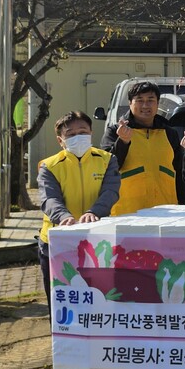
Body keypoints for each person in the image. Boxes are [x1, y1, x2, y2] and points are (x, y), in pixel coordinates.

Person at [37, 111, 120, 302]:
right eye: (71, 134)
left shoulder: (107, 160)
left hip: (98, 241)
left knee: (101, 298)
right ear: (60, 140)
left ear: (91, 132)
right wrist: (63, 216)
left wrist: (94, 212)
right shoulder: (49, 165)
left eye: (82, 132)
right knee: (61, 300)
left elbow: (111, 191)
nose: (78, 137)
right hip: (57, 240)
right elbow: (49, 198)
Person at [100, 81, 184, 214]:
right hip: (127, 213)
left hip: (167, 211)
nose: (145, 105)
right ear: (130, 103)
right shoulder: (115, 132)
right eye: (139, 100)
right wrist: (123, 141)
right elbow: (107, 169)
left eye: (150, 100)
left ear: (157, 103)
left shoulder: (169, 133)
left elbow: (180, 172)